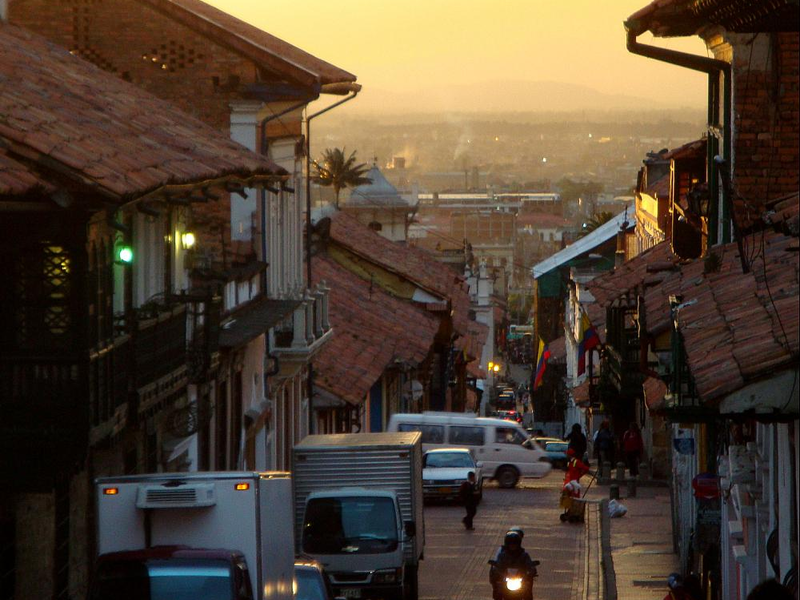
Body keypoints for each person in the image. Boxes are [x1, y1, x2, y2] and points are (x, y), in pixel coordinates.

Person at [489, 530, 538, 600]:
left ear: (518, 544)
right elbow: (498, 566)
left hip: (520, 579)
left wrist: (531, 571)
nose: (513, 546)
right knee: (498, 590)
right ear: (507, 544)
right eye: (511, 544)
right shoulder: (502, 555)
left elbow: (529, 565)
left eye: (515, 544)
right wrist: (497, 571)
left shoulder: (524, 555)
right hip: (506, 580)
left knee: (527, 590)